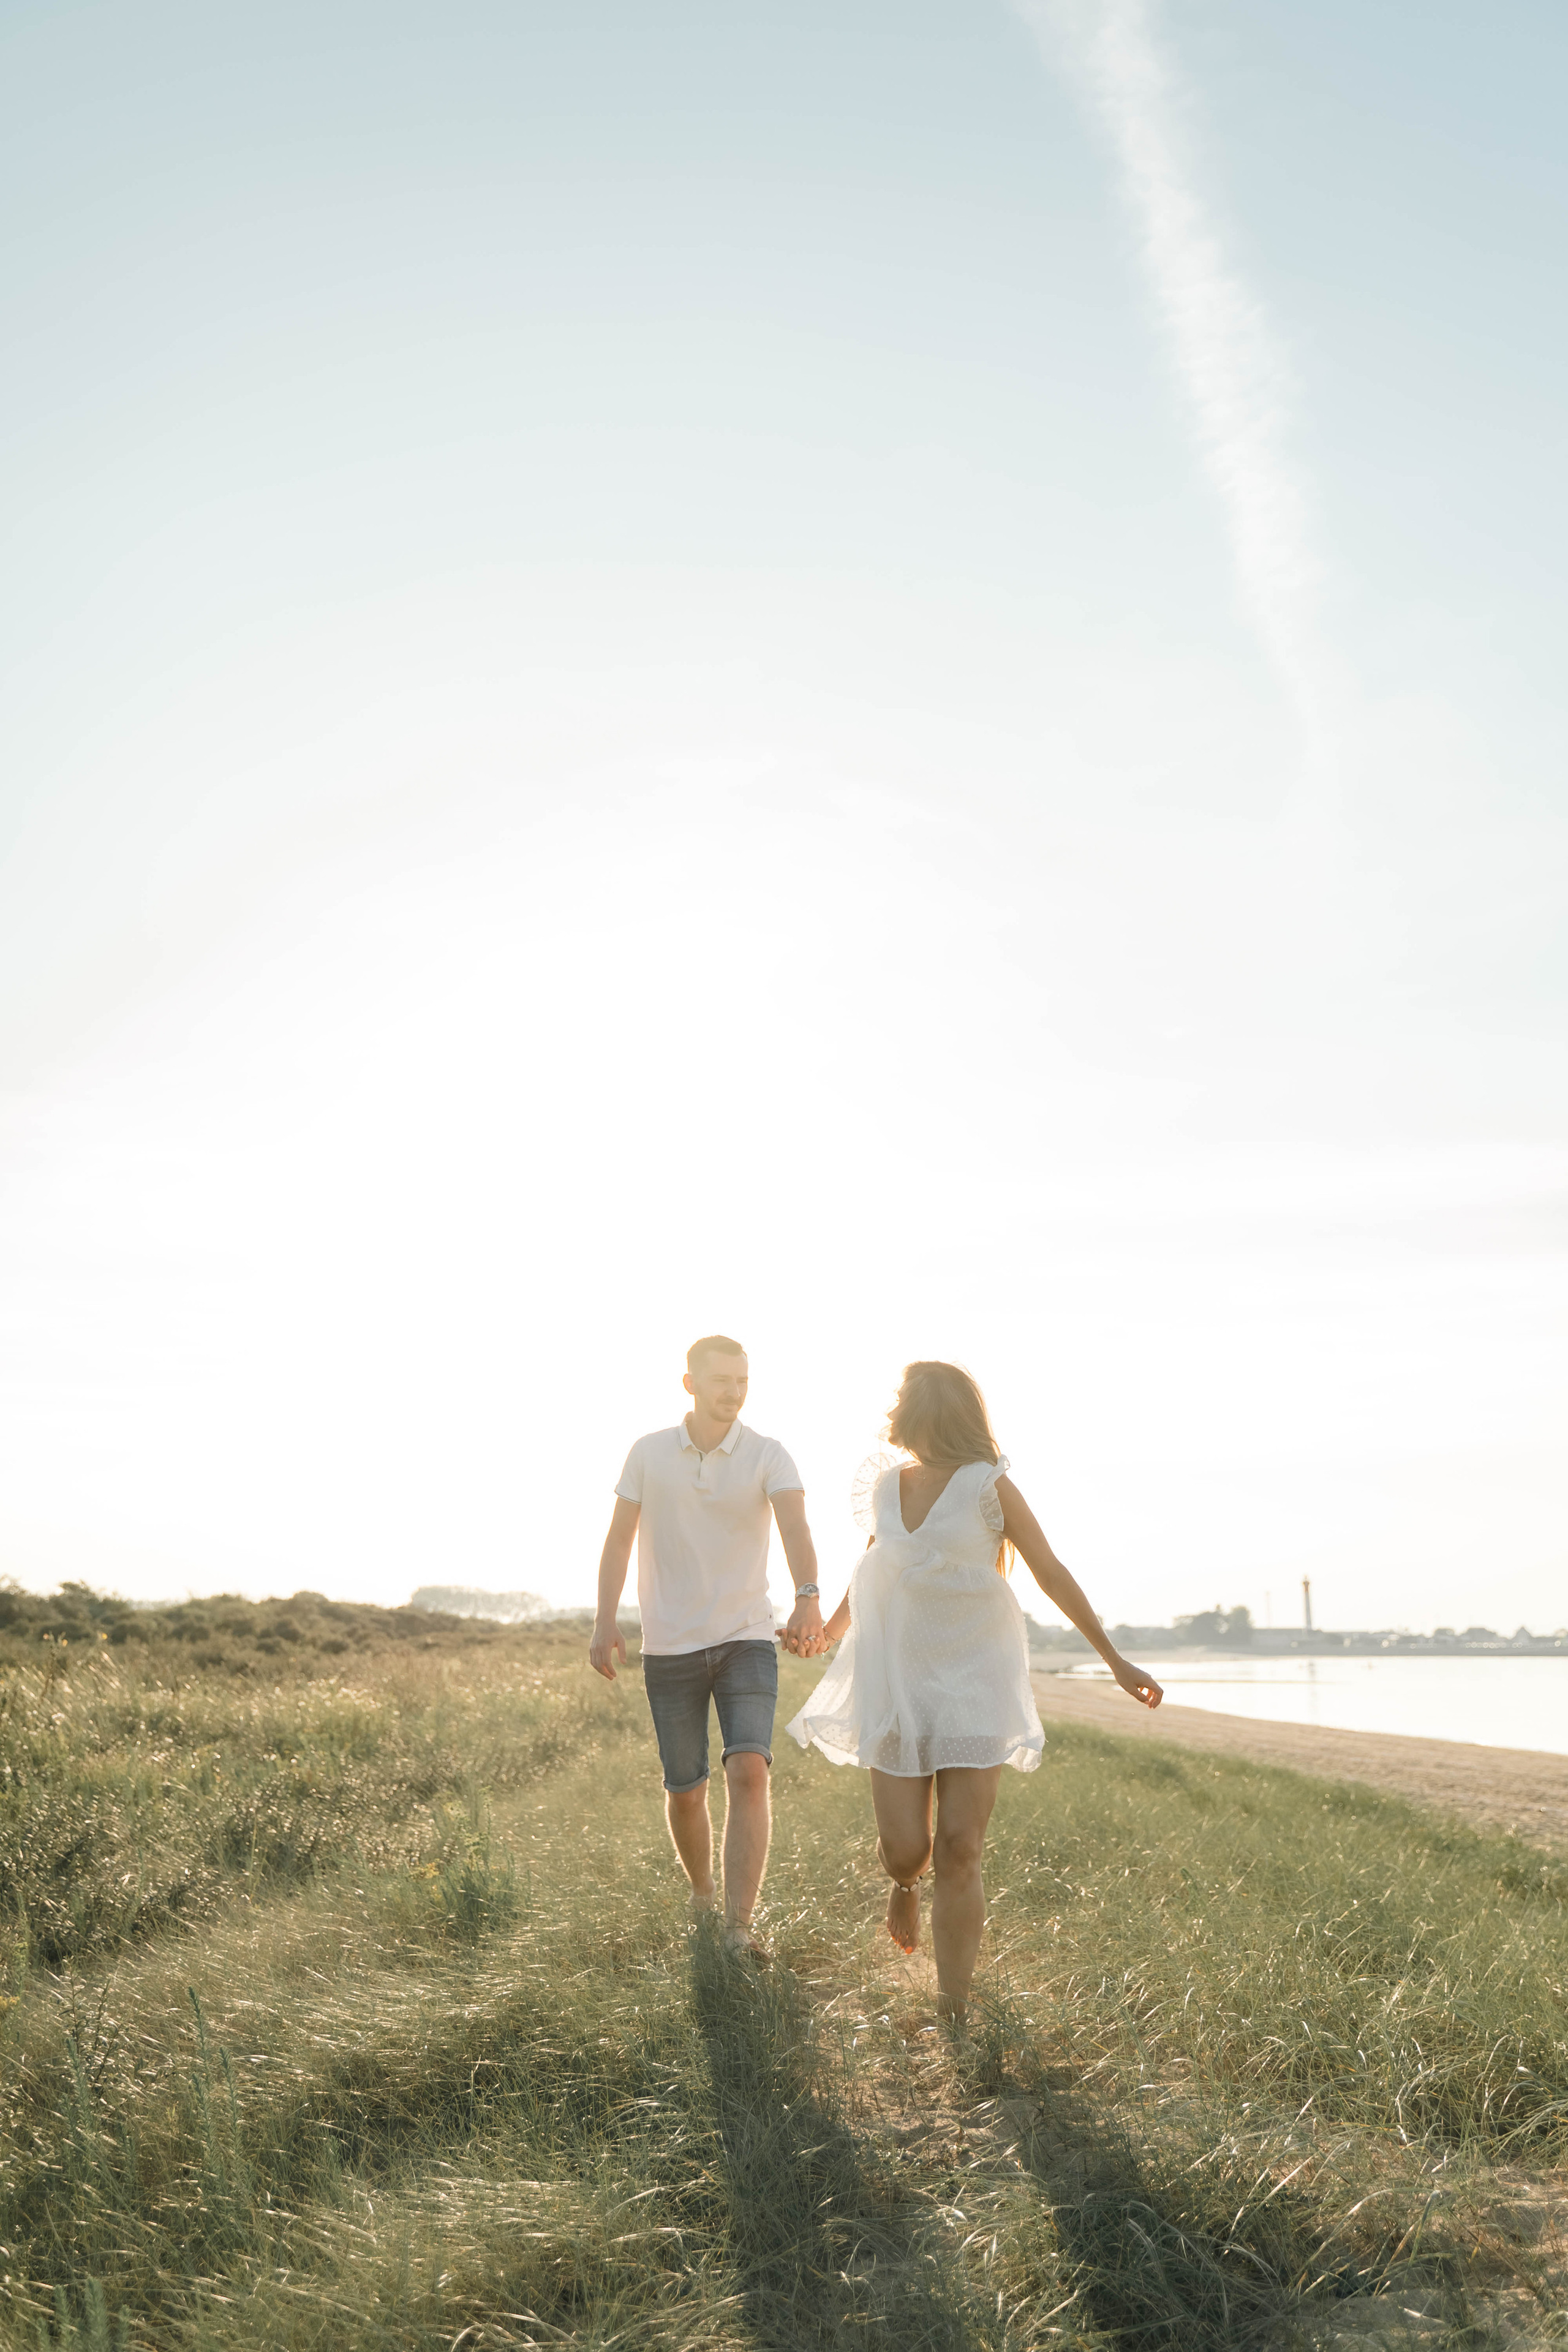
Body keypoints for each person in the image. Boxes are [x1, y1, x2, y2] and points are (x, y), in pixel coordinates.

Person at [784, 1360, 1162, 2022]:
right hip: (897, 1679)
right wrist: (828, 1630)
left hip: (975, 1679)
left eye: (904, 1401)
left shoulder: (990, 1486)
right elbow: (873, 1566)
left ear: (930, 1411)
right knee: (910, 1848)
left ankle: (950, 2008)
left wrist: (1113, 1658)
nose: (894, 1411)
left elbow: (1049, 1570)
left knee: (961, 1847)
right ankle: (903, 1883)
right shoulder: (884, 1486)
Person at [590, 1336, 824, 1949]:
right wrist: (604, 1619)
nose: (733, 1392)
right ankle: (701, 1891)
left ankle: (738, 1928)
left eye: (742, 1381)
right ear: (690, 1383)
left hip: (746, 1636)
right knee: (686, 1789)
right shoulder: (648, 1453)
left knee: (749, 1769)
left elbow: (795, 1523)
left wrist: (807, 1596)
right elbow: (618, 1541)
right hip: (669, 1644)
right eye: (721, 1380)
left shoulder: (769, 1455)